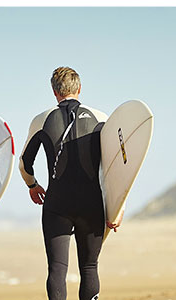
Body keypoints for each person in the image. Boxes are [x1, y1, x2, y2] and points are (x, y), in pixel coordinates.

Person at [20, 66, 118, 300]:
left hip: (57, 204)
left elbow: (25, 163)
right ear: (80, 89)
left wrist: (32, 185)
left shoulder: (42, 119)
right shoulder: (101, 118)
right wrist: (118, 205)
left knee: (56, 269)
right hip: (91, 202)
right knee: (89, 267)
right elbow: (117, 168)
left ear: (54, 91)